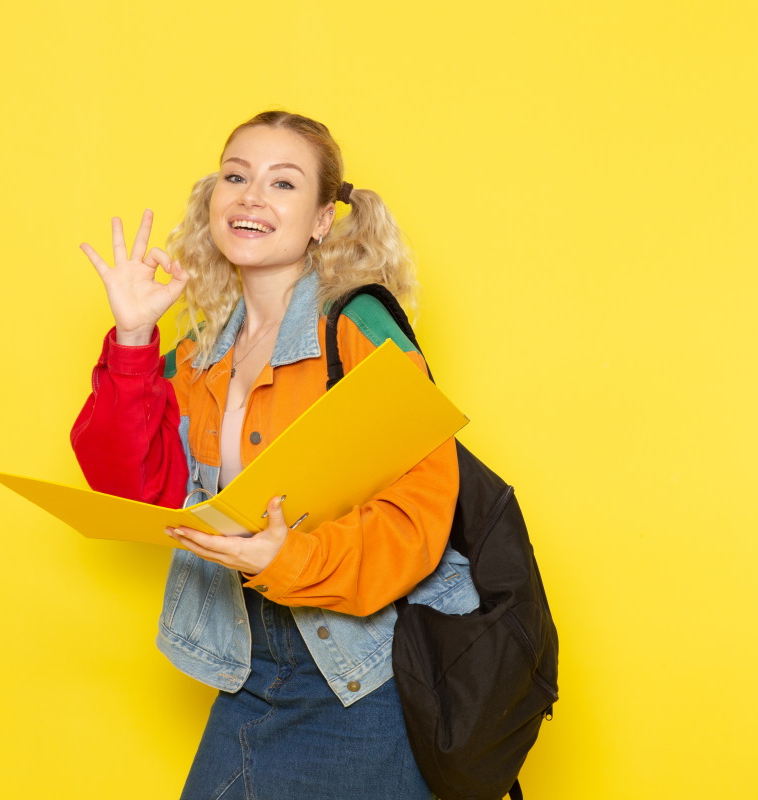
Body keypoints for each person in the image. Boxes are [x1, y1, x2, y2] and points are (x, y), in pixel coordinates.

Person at [71, 111, 479, 800]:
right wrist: (135, 335)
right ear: (212, 201)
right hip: (251, 661)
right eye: (236, 177)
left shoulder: (359, 327)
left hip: (363, 674)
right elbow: (135, 486)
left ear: (322, 219)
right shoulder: (204, 350)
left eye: (282, 183)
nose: (252, 196)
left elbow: (420, 513)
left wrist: (288, 560)